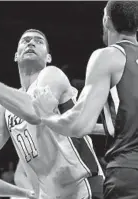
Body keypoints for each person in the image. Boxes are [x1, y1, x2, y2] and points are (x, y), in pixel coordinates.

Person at [0, 29, 104, 199]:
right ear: (16, 56)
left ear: (48, 57)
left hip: (83, 189)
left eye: (38, 41)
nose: (31, 43)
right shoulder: (5, 108)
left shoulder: (52, 75)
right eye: (25, 40)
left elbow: (33, 112)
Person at [28, 2, 138, 199]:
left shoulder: (108, 56)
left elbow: (79, 125)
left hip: (128, 173)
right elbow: (127, 120)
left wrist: (46, 115)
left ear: (106, 20)